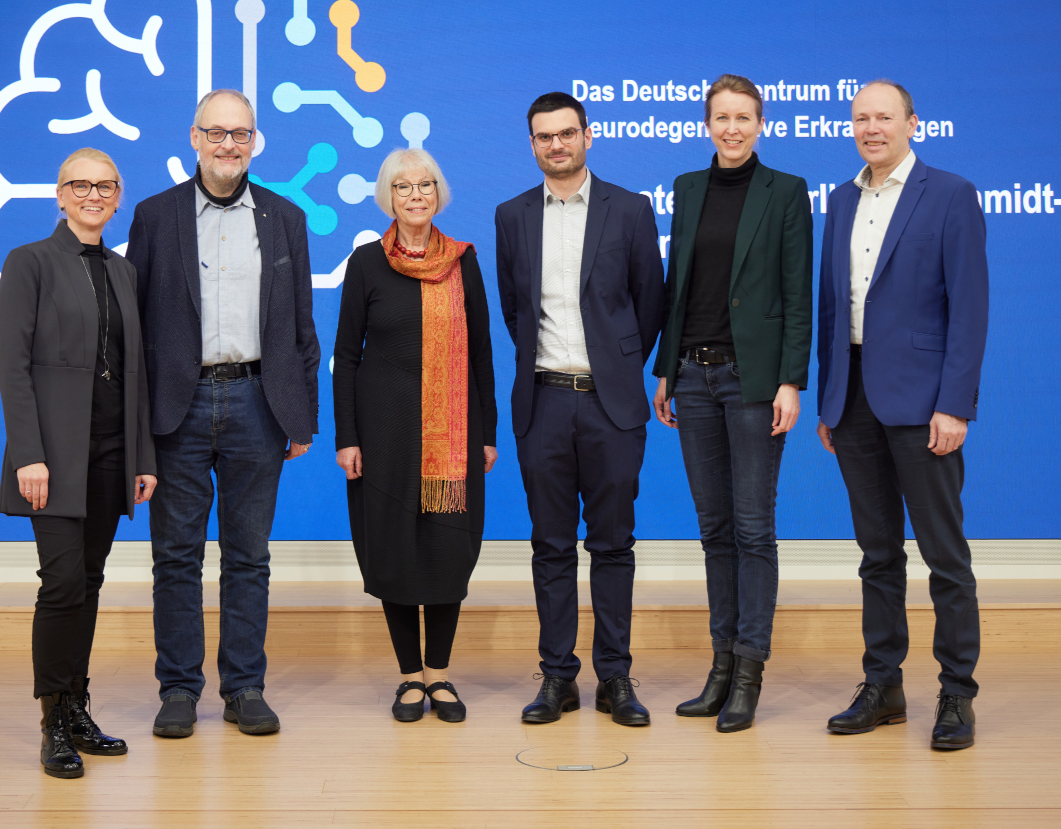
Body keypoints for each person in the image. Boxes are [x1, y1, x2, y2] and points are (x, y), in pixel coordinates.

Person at [126, 89, 321, 738]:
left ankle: (244, 687)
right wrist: (136, 426)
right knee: (176, 557)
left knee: (248, 557)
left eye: (242, 134)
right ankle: (179, 688)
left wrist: (303, 415)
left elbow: (301, 325)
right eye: (218, 133)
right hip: (177, 409)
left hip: (259, 403)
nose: (230, 145)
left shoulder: (286, 218)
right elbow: (136, 327)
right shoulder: (155, 217)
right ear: (194, 137)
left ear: (255, 141)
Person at [816, 80, 988, 750]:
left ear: (913, 123)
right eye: (861, 118)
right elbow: (834, 308)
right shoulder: (839, 199)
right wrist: (832, 397)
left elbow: (969, 309)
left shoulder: (950, 194)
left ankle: (956, 694)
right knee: (877, 555)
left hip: (923, 405)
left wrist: (955, 403)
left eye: (884, 117)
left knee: (945, 557)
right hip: (853, 401)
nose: (871, 127)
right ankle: (883, 684)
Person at [496, 92, 665, 726]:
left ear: (588, 137)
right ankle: (557, 677)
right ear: (533, 144)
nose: (557, 145)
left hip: (610, 406)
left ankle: (615, 678)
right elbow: (516, 311)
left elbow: (650, 302)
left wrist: (619, 366)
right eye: (544, 137)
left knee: (614, 545)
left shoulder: (631, 209)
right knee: (550, 546)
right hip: (541, 403)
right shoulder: (511, 216)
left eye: (567, 134)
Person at [651, 74, 813, 732]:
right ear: (707, 124)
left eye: (743, 117)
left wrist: (791, 380)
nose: (732, 128)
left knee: (752, 530)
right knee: (715, 531)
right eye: (721, 117)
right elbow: (677, 287)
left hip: (753, 383)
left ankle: (749, 673)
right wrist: (664, 369)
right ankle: (719, 669)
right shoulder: (688, 189)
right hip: (692, 376)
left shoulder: (787, 192)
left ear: (761, 123)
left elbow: (798, 294)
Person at [0, 148, 156, 778]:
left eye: (105, 185)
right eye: (80, 185)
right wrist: (29, 454)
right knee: (61, 583)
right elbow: (13, 367)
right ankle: (52, 722)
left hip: (113, 450)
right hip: (53, 456)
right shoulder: (29, 262)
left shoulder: (123, 271)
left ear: (118, 196)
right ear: (59, 195)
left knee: (88, 583)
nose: (93, 194)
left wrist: (143, 455)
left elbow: (136, 371)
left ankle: (78, 706)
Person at [333, 148, 498, 723]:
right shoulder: (365, 264)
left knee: (447, 549)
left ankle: (441, 675)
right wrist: (347, 436)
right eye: (403, 187)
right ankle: (409, 677)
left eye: (425, 184)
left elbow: (482, 351)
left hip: (454, 438)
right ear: (389, 198)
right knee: (395, 550)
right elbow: (346, 357)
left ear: (439, 193)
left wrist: (488, 431)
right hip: (383, 439)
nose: (416, 195)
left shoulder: (463, 262)